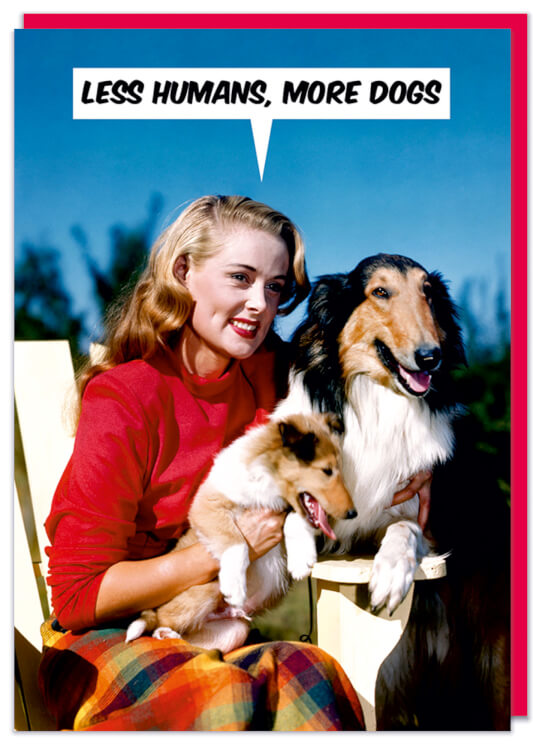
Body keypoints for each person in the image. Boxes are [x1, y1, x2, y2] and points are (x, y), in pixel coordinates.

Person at [38, 195, 366, 731]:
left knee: (311, 673)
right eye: (240, 277)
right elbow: (77, 597)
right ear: (184, 271)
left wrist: (416, 476)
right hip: (104, 641)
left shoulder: (276, 379)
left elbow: (374, 421)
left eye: (275, 286)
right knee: (221, 693)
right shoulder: (124, 397)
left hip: (212, 629)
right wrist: (224, 550)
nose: (260, 303)